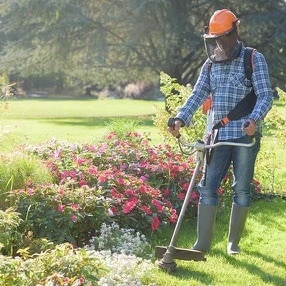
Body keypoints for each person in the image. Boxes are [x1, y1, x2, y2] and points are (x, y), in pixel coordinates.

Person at [168, 9, 273, 255]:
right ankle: (201, 245)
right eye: (215, 38)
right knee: (207, 186)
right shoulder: (210, 64)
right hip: (218, 136)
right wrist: (181, 117)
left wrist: (254, 120)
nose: (219, 43)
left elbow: (266, 95)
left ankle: (233, 243)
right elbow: (197, 95)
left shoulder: (253, 59)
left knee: (242, 189)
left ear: (235, 32)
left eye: (223, 37)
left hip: (245, 135)